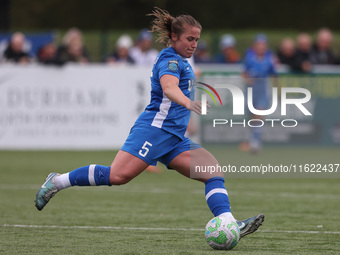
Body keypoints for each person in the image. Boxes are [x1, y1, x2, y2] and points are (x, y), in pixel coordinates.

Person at [35, 7, 264, 240]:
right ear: (174, 37)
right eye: (189, 39)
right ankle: (57, 181)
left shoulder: (183, 61)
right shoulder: (170, 59)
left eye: (197, 39)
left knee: (212, 171)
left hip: (173, 137)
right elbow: (169, 88)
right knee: (117, 176)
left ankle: (228, 222)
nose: (194, 44)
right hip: (154, 130)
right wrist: (188, 103)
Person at [242, 34, 277, 153]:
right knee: (252, 115)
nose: (261, 47)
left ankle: (255, 141)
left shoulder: (270, 59)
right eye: (259, 44)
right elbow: (244, 72)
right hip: (251, 89)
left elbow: (274, 75)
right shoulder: (249, 57)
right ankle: (253, 138)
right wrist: (247, 79)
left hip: (262, 89)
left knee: (260, 112)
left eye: (263, 45)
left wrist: (278, 89)